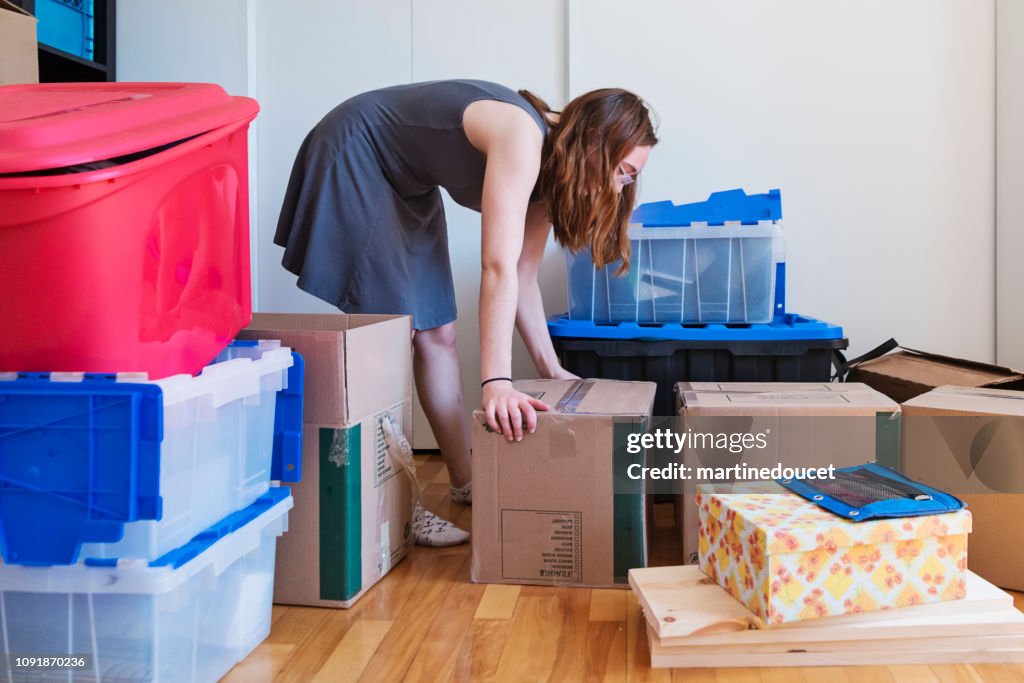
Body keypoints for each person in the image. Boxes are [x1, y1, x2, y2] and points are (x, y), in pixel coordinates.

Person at [274, 80, 658, 545]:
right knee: (394, 333)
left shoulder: (554, 172)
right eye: (623, 171)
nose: (621, 188)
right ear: (596, 143)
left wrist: (550, 367)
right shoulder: (522, 135)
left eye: (630, 179)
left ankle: (466, 483)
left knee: (438, 334)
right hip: (358, 149)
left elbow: (523, 276)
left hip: (406, 183)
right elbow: (495, 267)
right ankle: (393, 510)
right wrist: (496, 383)